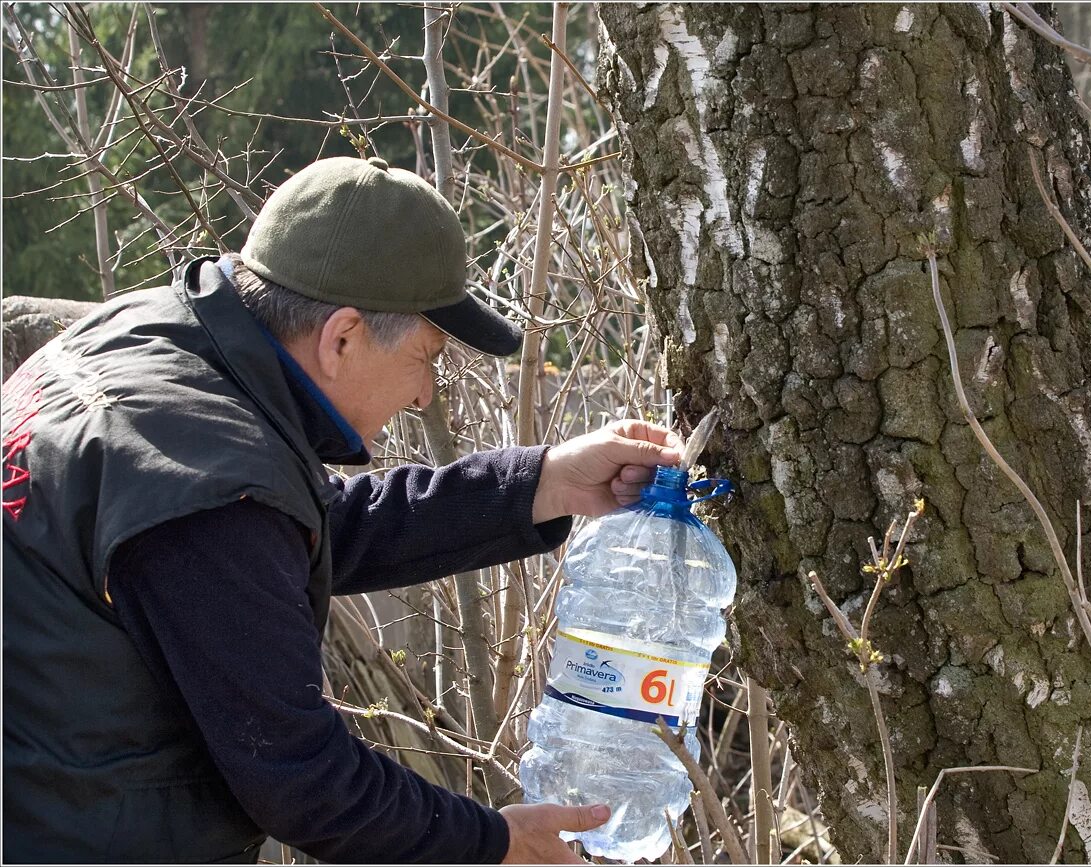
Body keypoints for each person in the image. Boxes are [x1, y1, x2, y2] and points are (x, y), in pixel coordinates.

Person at [2, 156, 684, 863]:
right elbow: (301, 776)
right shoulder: (205, 487)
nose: (425, 395)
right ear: (344, 336)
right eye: (426, 358)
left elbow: (299, 529)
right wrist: (493, 842)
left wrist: (546, 482)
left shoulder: (156, 345)